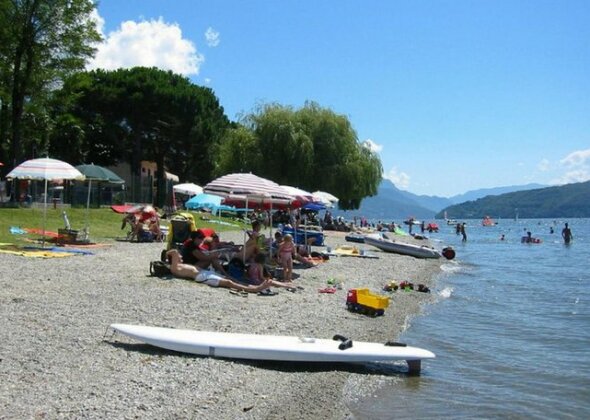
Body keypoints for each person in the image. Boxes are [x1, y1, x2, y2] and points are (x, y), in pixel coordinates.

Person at [166, 249, 271, 293]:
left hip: (205, 273)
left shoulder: (180, 266)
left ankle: (249, 286)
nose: (181, 256)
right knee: (228, 283)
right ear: (173, 258)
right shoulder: (175, 267)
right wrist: (169, 254)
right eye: (179, 255)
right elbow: (173, 252)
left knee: (228, 278)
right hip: (202, 277)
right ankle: (255, 289)